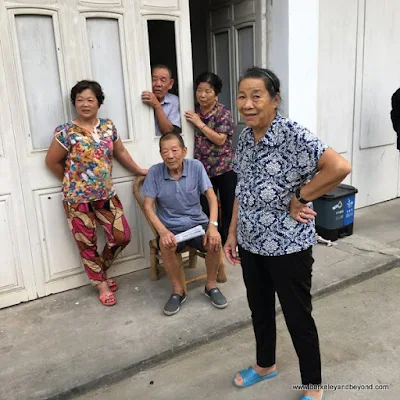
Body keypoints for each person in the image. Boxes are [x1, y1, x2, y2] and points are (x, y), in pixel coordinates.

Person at [224, 67, 352, 400]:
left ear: (275, 99)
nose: (248, 104)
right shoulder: (244, 136)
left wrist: (302, 197)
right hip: (251, 242)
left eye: (257, 96)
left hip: (288, 245)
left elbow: (338, 167)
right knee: (259, 308)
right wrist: (232, 232)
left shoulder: (292, 133)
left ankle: (313, 386)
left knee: (297, 314)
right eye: (242, 96)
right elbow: (242, 186)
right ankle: (265, 365)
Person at [45, 80, 147, 307]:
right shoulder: (66, 132)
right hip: (77, 199)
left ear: (98, 102)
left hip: (106, 196)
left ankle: (98, 270)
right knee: (86, 243)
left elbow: (120, 152)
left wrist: (139, 170)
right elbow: (51, 162)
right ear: (74, 103)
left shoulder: (108, 127)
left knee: (122, 236)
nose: (85, 104)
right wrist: (73, 182)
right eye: (80, 100)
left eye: (90, 99)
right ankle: (101, 284)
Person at [142, 132, 228, 316]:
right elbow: (148, 207)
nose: (170, 155)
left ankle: (211, 285)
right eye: (165, 151)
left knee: (214, 240)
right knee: (165, 246)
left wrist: (212, 225)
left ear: (184, 151)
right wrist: (163, 232)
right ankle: (177, 291)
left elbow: (212, 198)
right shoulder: (155, 172)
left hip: (197, 224)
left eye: (174, 150)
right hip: (171, 228)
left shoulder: (196, 167)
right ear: (160, 154)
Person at [184, 72, 236, 244]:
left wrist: (200, 124)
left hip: (225, 168)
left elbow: (221, 140)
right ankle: (211, 240)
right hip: (203, 169)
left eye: (208, 91)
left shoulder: (223, 113)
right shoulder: (193, 111)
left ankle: (229, 240)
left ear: (216, 93)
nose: (203, 95)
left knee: (228, 207)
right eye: (199, 90)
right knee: (206, 206)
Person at [141, 64, 181, 136]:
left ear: (170, 84)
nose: (158, 84)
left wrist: (157, 106)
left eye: (163, 80)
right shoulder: (140, 98)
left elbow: (169, 133)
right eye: (154, 79)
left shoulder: (174, 101)